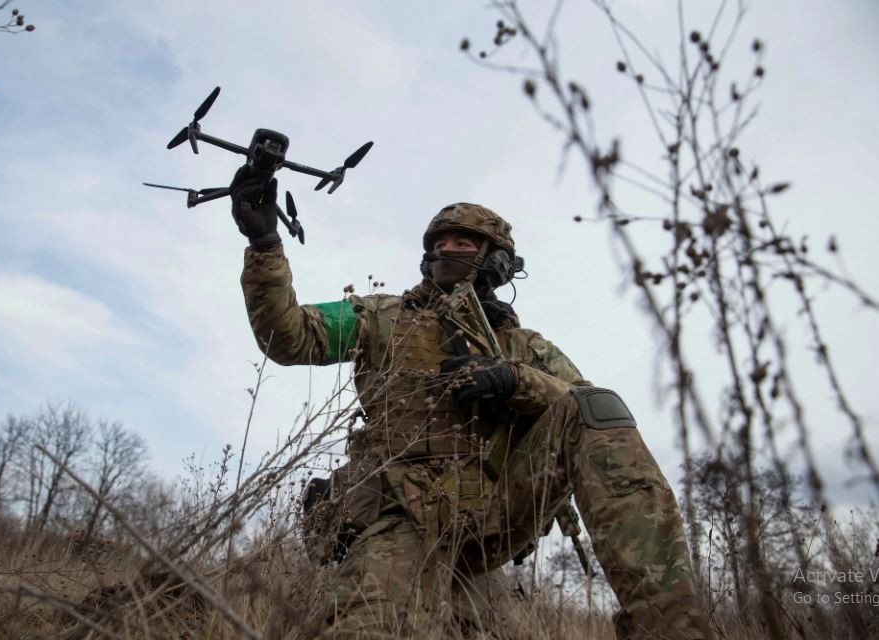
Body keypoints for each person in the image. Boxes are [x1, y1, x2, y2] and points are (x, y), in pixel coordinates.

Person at [231, 165, 712, 639]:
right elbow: (288, 335)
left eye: (463, 243)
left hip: (496, 509)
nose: (447, 249)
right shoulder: (380, 315)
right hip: (404, 509)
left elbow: (584, 406)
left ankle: (670, 627)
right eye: (439, 243)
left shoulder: (525, 346)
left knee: (599, 409)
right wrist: (265, 247)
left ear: (496, 260)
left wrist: (514, 380)